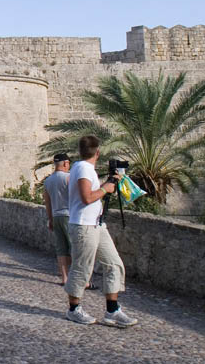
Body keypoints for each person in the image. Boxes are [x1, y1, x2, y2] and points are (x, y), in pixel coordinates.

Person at [64, 135, 138, 328]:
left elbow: (91, 195)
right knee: (82, 267)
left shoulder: (86, 169)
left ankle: (112, 310)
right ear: (98, 152)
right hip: (83, 226)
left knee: (114, 263)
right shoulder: (82, 168)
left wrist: (108, 184)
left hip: (97, 224)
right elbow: (87, 197)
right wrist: (105, 188)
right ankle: (74, 310)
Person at [43, 153, 72, 285]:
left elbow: (47, 202)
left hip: (56, 216)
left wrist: (50, 219)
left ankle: (64, 278)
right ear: (66, 163)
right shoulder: (69, 178)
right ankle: (77, 278)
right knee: (74, 247)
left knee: (61, 248)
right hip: (69, 216)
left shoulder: (48, 181)